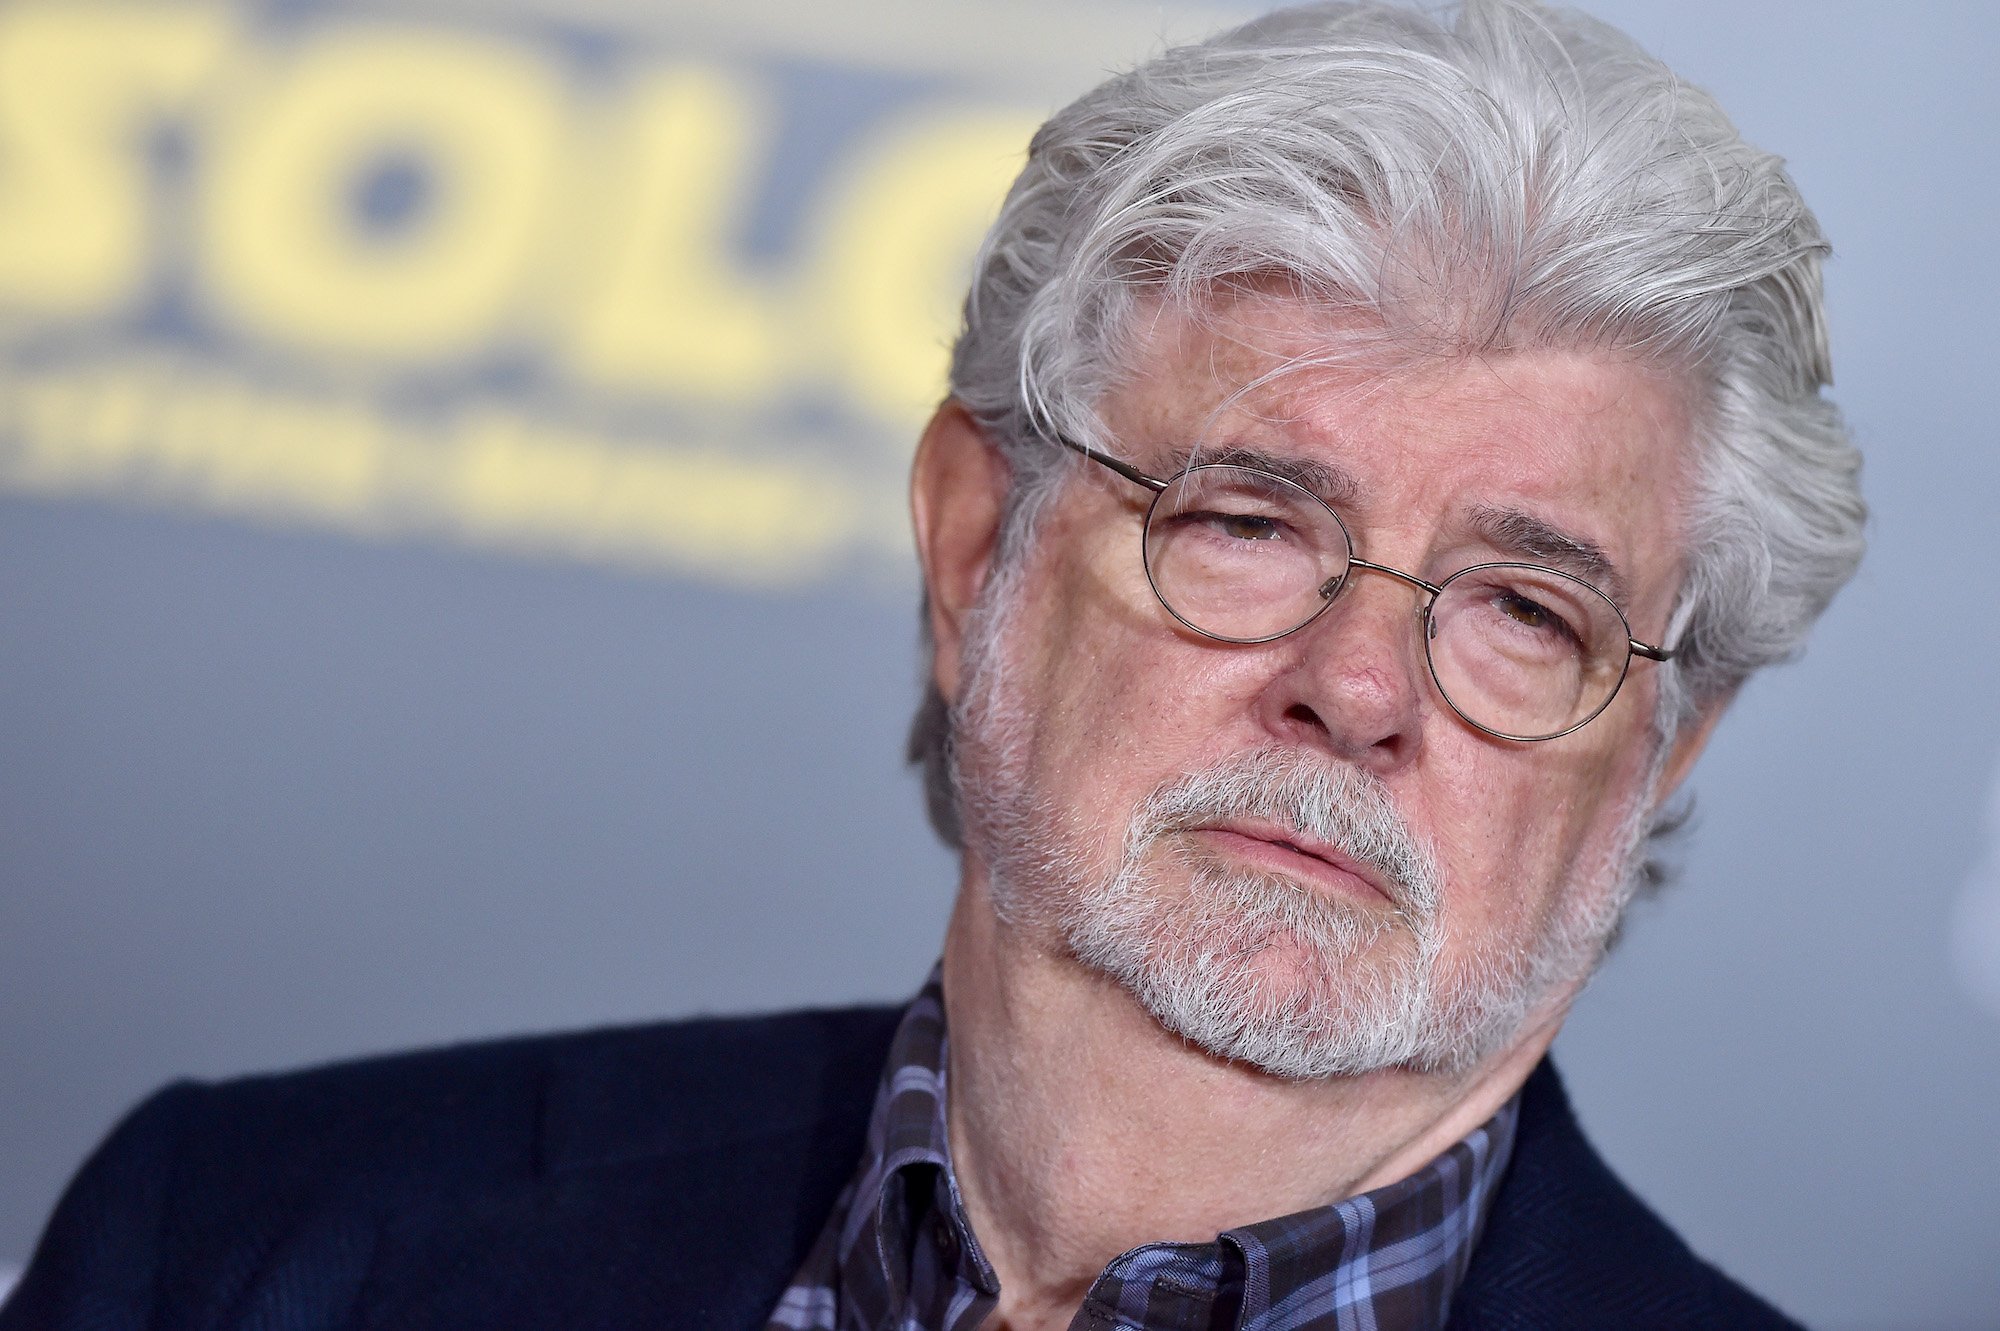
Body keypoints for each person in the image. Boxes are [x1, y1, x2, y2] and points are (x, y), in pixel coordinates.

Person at [1, 1, 1865, 1327]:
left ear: (1663, 747)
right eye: (1249, 523)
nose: (1358, 687)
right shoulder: (238, 1246)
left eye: (1526, 613)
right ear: (980, 546)